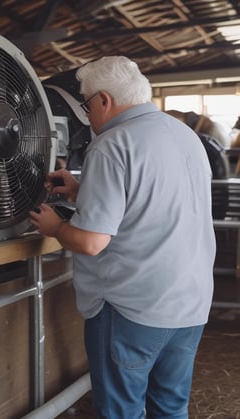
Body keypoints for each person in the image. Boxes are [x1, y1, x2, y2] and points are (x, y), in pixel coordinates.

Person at [29, 56, 216, 418]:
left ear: (103, 100)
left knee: (121, 411)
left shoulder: (112, 144)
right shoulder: (183, 134)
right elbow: (157, 201)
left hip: (133, 308)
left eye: (86, 105)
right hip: (189, 305)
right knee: (171, 407)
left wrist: (55, 228)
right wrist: (85, 190)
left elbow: (90, 242)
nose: (88, 116)